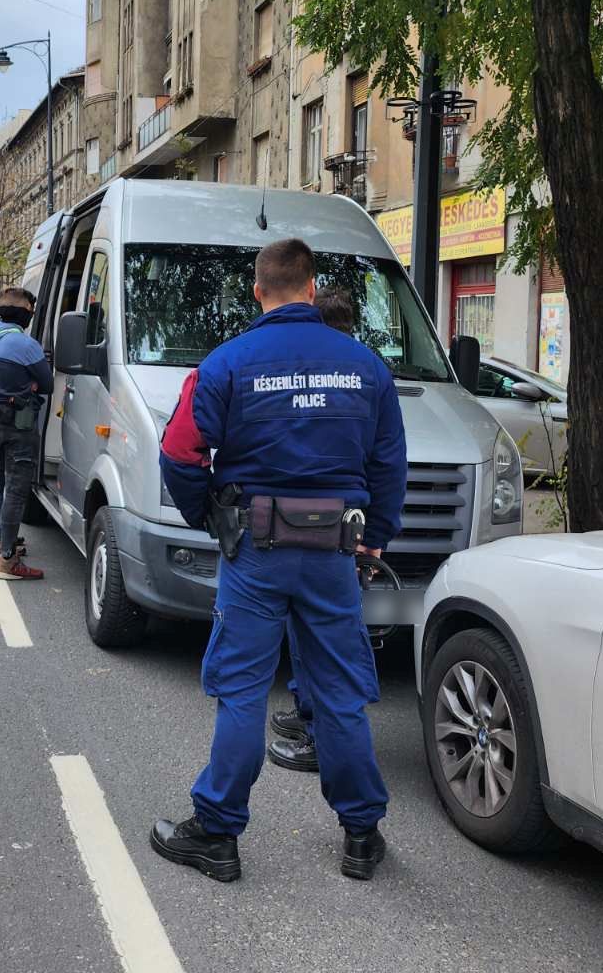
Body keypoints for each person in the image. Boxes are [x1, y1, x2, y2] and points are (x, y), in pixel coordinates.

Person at [152, 241, 405, 883]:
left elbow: (180, 452)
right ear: (313, 288)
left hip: (255, 552)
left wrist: (206, 513)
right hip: (332, 557)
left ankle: (216, 832)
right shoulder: (366, 367)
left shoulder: (227, 363)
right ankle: (360, 835)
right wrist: (373, 537)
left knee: (240, 689)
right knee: (340, 691)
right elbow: (387, 464)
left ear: (257, 290)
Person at [267, 282, 355, 775]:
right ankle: (306, 713)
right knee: (316, 636)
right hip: (345, 527)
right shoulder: (365, 371)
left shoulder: (308, 372)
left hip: (306, 528)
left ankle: (321, 738)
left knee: (323, 644)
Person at [0, 287, 51, 581]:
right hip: (20, 426)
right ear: (25, 314)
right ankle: (7, 560)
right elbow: (47, 384)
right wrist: (30, 383)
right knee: (15, 493)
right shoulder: (25, 345)